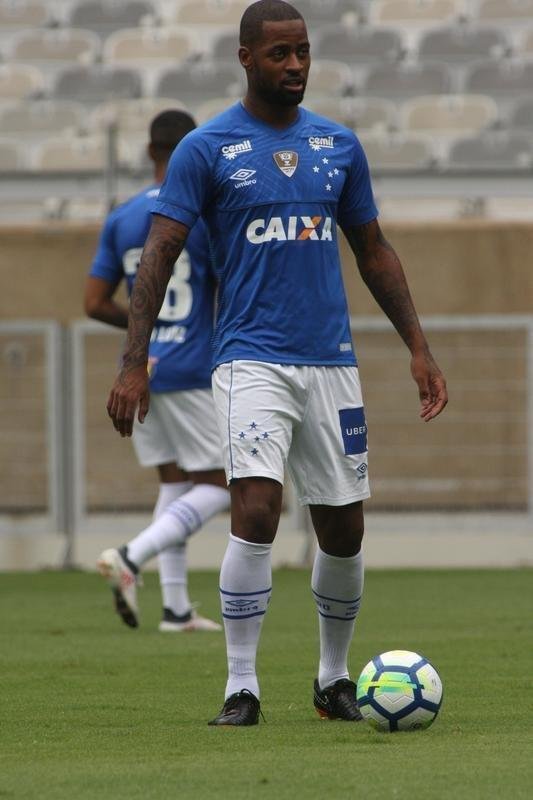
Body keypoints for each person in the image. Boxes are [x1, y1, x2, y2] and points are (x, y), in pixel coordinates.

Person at [106, 0, 448, 725]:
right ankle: (240, 686)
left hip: (330, 362)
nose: (293, 65)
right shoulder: (206, 149)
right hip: (249, 359)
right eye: (278, 54)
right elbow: (159, 255)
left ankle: (332, 680)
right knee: (256, 509)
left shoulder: (338, 144)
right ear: (245, 58)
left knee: (344, 528)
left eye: (302, 52)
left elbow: (373, 252)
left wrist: (417, 346)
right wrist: (133, 362)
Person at [85, 110, 229, 633]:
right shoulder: (202, 215)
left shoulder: (121, 218)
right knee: (221, 484)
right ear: (196, 150)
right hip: (193, 366)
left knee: (174, 480)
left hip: (143, 367)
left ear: (150, 152)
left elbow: (93, 301)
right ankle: (130, 554)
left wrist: (145, 328)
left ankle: (174, 609)